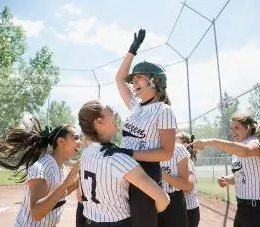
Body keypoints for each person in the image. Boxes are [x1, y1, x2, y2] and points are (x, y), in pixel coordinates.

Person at [115, 29, 177, 227]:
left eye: (138, 78)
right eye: (133, 80)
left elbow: (166, 153)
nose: (133, 83)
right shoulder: (135, 106)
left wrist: (130, 153)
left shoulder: (164, 110)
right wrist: (132, 50)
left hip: (146, 175)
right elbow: (119, 79)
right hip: (125, 172)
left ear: (155, 81)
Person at [77, 100, 170, 227]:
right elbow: (163, 199)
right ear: (99, 122)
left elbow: (79, 196)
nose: (115, 113)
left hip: (90, 221)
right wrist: (149, 212)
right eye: (109, 110)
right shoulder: (118, 158)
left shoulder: (86, 153)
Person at [188, 115, 260, 227]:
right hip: (242, 209)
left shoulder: (257, 143)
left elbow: (246, 151)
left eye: (237, 127)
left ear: (248, 128)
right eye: (231, 128)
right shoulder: (238, 148)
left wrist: (210, 141)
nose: (233, 131)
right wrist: (228, 179)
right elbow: (243, 175)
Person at [0, 118, 80, 227]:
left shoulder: (61, 167)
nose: (79, 142)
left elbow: (61, 192)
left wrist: (77, 182)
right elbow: (36, 213)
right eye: (75, 138)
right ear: (61, 141)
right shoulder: (42, 167)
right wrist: (66, 183)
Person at [159, 141, 191, 227]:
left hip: (174, 201)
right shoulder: (142, 147)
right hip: (149, 201)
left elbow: (186, 185)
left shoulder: (178, 149)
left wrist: (158, 172)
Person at [176, 132, 200, 227]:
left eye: (175, 141)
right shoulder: (179, 159)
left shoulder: (187, 161)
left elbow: (187, 187)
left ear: (185, 144)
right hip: (183, 209)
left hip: (189, 210)